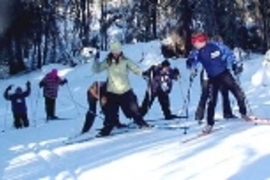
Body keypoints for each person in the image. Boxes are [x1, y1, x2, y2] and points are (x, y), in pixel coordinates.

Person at [187, 32, 249, 133]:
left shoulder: (216, 46)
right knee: (212, 101)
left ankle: (244, 113)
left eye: (197, 43)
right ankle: (209, 124)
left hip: (224, 74)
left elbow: (229, 54)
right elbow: (193, 64)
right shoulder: (197, 53)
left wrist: (234, 65)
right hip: (212, 78)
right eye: (194, 43)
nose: (196, 45)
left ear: (202, 41)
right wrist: (190, 64)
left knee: (238, 93)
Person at [92, 40, 151, 137]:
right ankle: (106, 130)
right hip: (112, 92)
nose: (116, 53)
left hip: (125, 90)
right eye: (114, 51)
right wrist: (96, 60)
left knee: (134, 110)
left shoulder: (125, 61)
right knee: (110, 113)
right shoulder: (108, 62)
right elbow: (97, 70)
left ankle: (141, 123)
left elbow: (135, 68)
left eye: (118, 51)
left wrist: (143, 73)